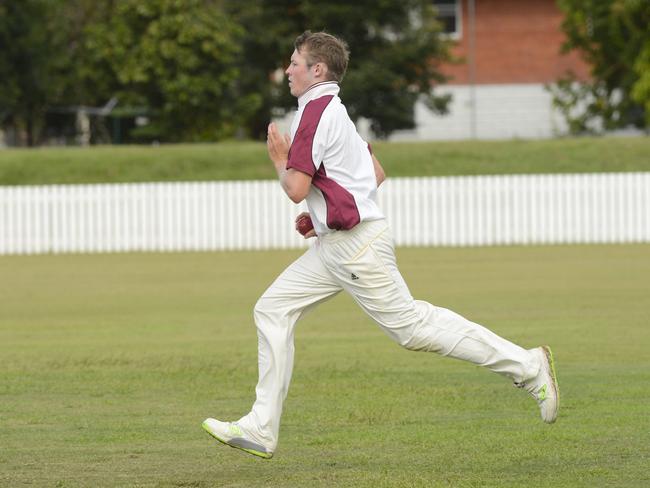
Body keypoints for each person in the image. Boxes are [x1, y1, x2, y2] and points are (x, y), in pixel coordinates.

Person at [202, 31, 559, 459]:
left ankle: (528, 365)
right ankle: (261, 428)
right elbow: (375, 172)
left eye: (294, 62)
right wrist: (324, 215)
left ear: (317, 70)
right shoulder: (335, 111)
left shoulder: (315, 113)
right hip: (338, 245)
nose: (288, 70)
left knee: (411, 328)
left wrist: (280, 162)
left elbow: (295, 186)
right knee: (272, 309)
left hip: (355, 248)